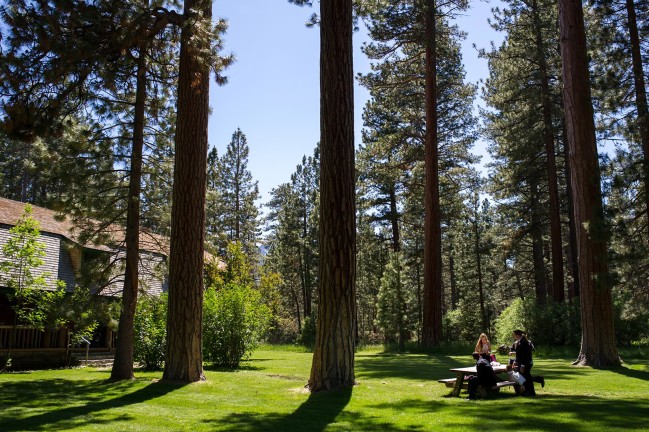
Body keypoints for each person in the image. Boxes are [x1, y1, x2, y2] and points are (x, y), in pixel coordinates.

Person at [512, 329, 545, 396]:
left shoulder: (524, 342)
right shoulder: (519, 341)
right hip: (521, 362)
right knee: (525, 377)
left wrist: (522, 365)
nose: (514, 336)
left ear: (517, 335)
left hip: (525, 363)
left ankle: (531, 392)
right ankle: (527, 391)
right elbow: (519, 354)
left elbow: (525, 355)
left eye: (514, 335)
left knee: (527, 378)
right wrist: (515, 361)